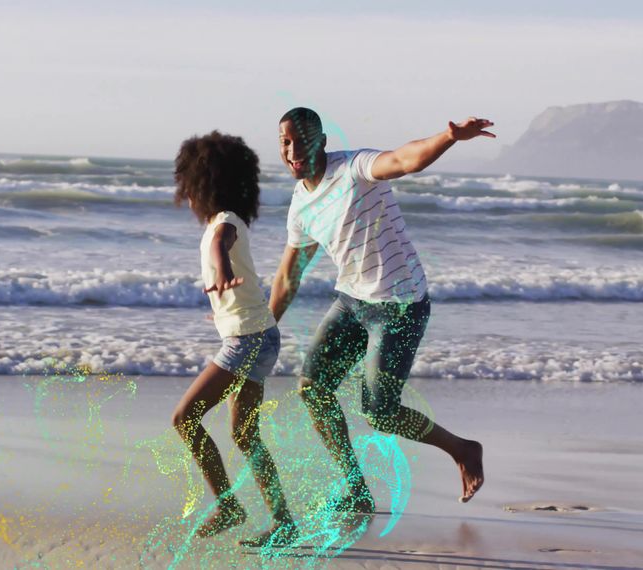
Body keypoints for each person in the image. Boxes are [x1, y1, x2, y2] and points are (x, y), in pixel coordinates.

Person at [269, 108, 495, 512]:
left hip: (400, 305)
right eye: (285, 142)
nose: (292, 151)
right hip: (353, 301)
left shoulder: (355, 168)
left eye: (301, 140)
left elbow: (404, 159)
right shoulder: (301, 204)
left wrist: (449, 138)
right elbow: (289, 276)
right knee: (312, 387)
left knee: (380, 413)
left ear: (321, 139)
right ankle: (356, 488)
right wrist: (264, 328)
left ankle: (462, 448)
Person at [170, 131, 298, 547]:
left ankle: (229, 506)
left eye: (188, 186)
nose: (186, 195)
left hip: (248, 339)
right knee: (245, 434)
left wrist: (222, 266)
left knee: (184, 419)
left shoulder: (224, 222)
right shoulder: (225, 220)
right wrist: (223, 306)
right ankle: (283, 522)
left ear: (203, 185)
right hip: (258, 333)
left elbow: (222, 246)